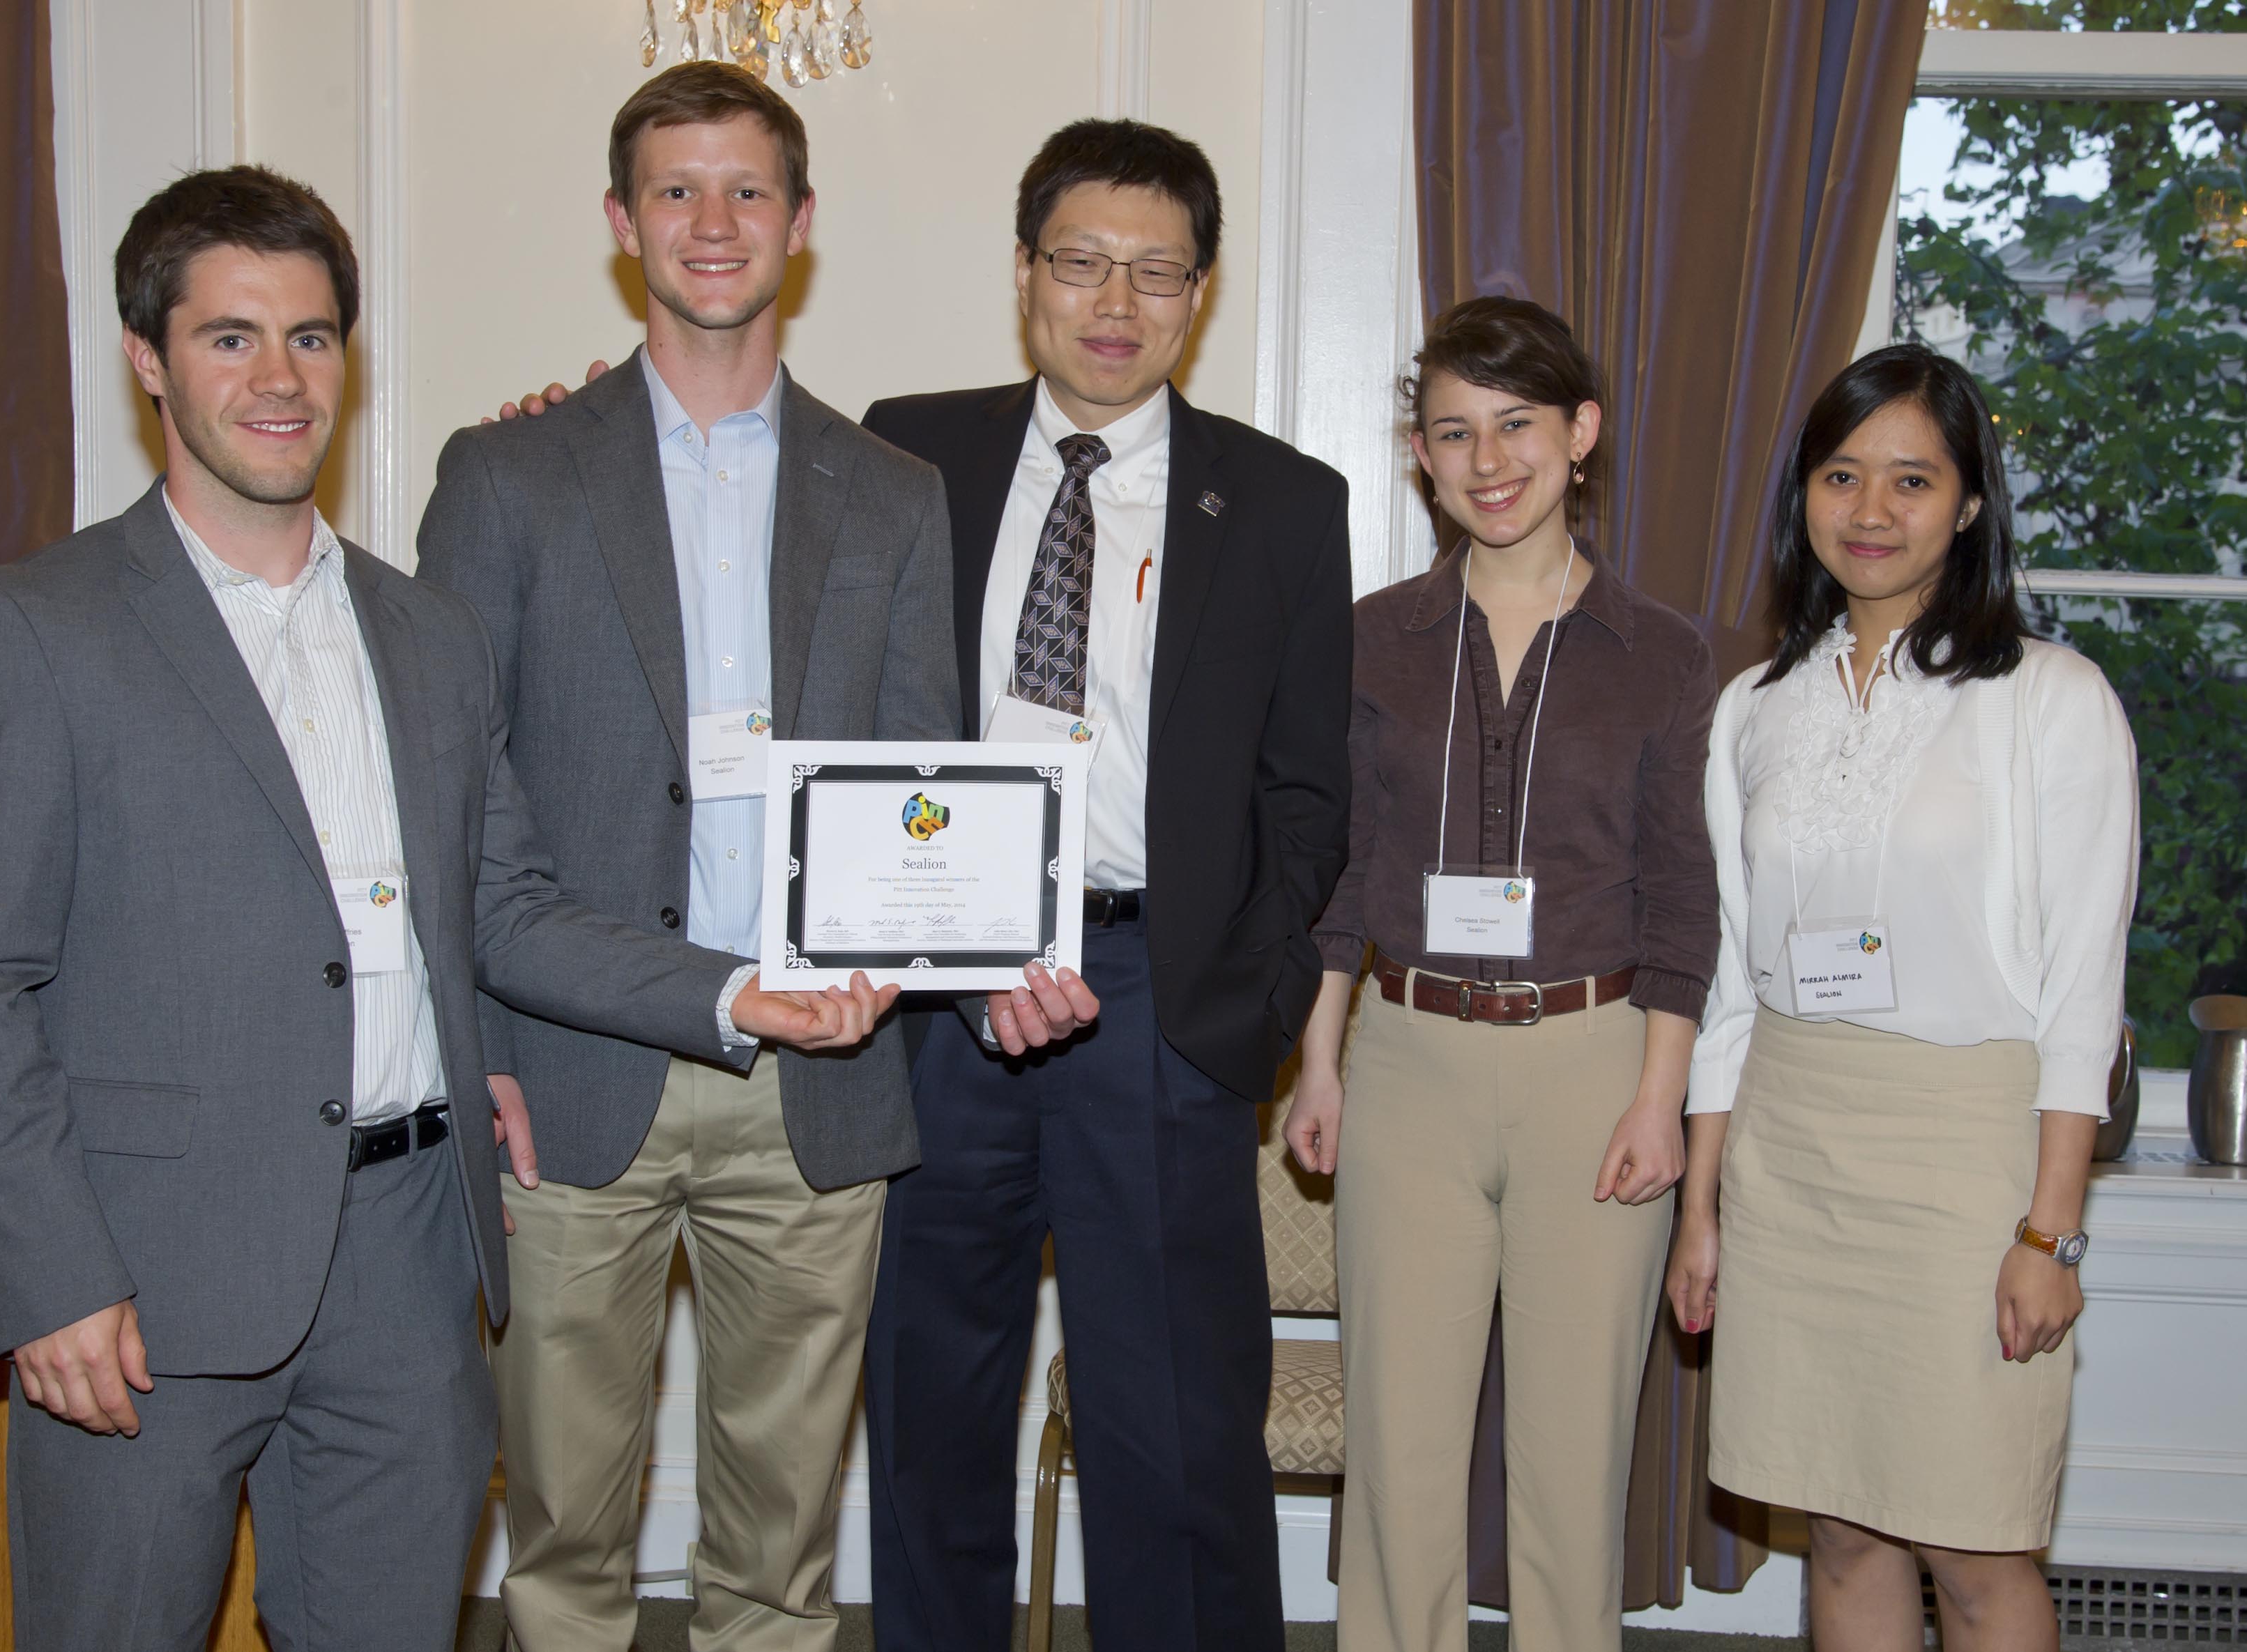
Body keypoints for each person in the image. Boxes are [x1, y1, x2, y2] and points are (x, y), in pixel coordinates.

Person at [0, 164, 892, 1652]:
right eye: (230, 338)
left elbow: (505, 909)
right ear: (148, 359)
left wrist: (732, 994)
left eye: (310, 337)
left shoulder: (426, 637)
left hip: (412, 1268)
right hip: (147, 1278)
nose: (279, 379)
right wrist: (48, 1280)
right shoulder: (35, 629)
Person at [412, 64, 961, 1652]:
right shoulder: (505, 475)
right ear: (618, 222)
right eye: (674, 190)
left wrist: (912, 950)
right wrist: (483, 1055)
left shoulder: (898, 496)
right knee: (563, 1537)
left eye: (744, 193)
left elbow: (919, 780)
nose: (710, 223)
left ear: (798, 225)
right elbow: (463, 801)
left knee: (780, 1554)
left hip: (819, 1078)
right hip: (569, 1080)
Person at [856, 119, 1349, 1652]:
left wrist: (1237, 1019)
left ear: (1197, 294)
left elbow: (1307, 792)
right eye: (1079, 263)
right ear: (1024, 276)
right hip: (934, 992)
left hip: (1154, 1002)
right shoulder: (900, 453)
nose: (1112, 301)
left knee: (1176, 1430)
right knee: (931, 1405)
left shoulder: (1277, 502)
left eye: (1155, 271)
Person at [1667, 343, 2138, 1651]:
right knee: (1840, 1528)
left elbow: (2081, 991)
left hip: (1966, 1155)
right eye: (1840, 474)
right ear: (1804, 496)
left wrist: (2051, 1232)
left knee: (1976, 1543)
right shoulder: (1753, 709)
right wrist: (1702, 1207)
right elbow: (1731, 979)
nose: (1869, 511)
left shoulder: (2051, 700)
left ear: (1969, 504)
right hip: (1790, 1145)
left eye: (1911, 479)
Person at [1279, 296, 1717, 1651]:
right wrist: (1317, 1060)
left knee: (1568, 1462)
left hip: (1595, 1073)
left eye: (1515, 425)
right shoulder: (1367, 640)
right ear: (1419, 453)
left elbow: (1681, 902)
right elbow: (1338, 877)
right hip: (1405, 1062)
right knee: (1397, 1456)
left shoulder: (1664, 654)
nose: (1487, 461)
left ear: (1579, 435)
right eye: (1453, 432)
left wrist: (1658, 1099)